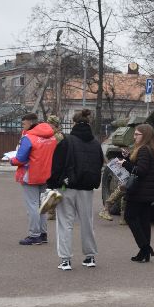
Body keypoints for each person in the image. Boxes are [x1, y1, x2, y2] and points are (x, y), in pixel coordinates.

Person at [46, 109, 103, 270]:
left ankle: (66, 260)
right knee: (87, 222)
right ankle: (90, 257)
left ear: (74, 123)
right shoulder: (96, 143)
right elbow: (99, 164)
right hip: (87, 188)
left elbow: (57, 165)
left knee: (65, 222)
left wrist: (51, 184)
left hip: (67, 186)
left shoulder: (66, 140)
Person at [11, 113, 57, 246]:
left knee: (32, 206)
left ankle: (34, 235)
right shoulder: (52, 137)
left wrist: (11, 160)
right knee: (43, 205)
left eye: (24, 123)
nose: (22, 126)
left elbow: (20, 159)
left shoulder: (28, 137)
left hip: (31, 175)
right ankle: (43, 234)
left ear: (30, 123)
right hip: (47, 175)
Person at [121, 123, 154, 262]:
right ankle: (144, 253)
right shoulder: (152, 148)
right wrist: (128, 158)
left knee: (130, 217)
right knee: (144, 220)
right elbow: (142, 166)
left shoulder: (144, 149)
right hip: (147, 192)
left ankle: (145, 248)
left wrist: (125, 164)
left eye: (136, 134)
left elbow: (141, 171)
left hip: (140, 192)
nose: (134, 137)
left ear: (144, 136)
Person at [44, 114, 64, 225]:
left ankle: (52, 212)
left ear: (55, 125)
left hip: (56, 165)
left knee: (54, 188)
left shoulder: (57, 137)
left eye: (50, 124)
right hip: (52, 164)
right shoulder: (53, 135)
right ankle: (51, 211)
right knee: (52, 188)